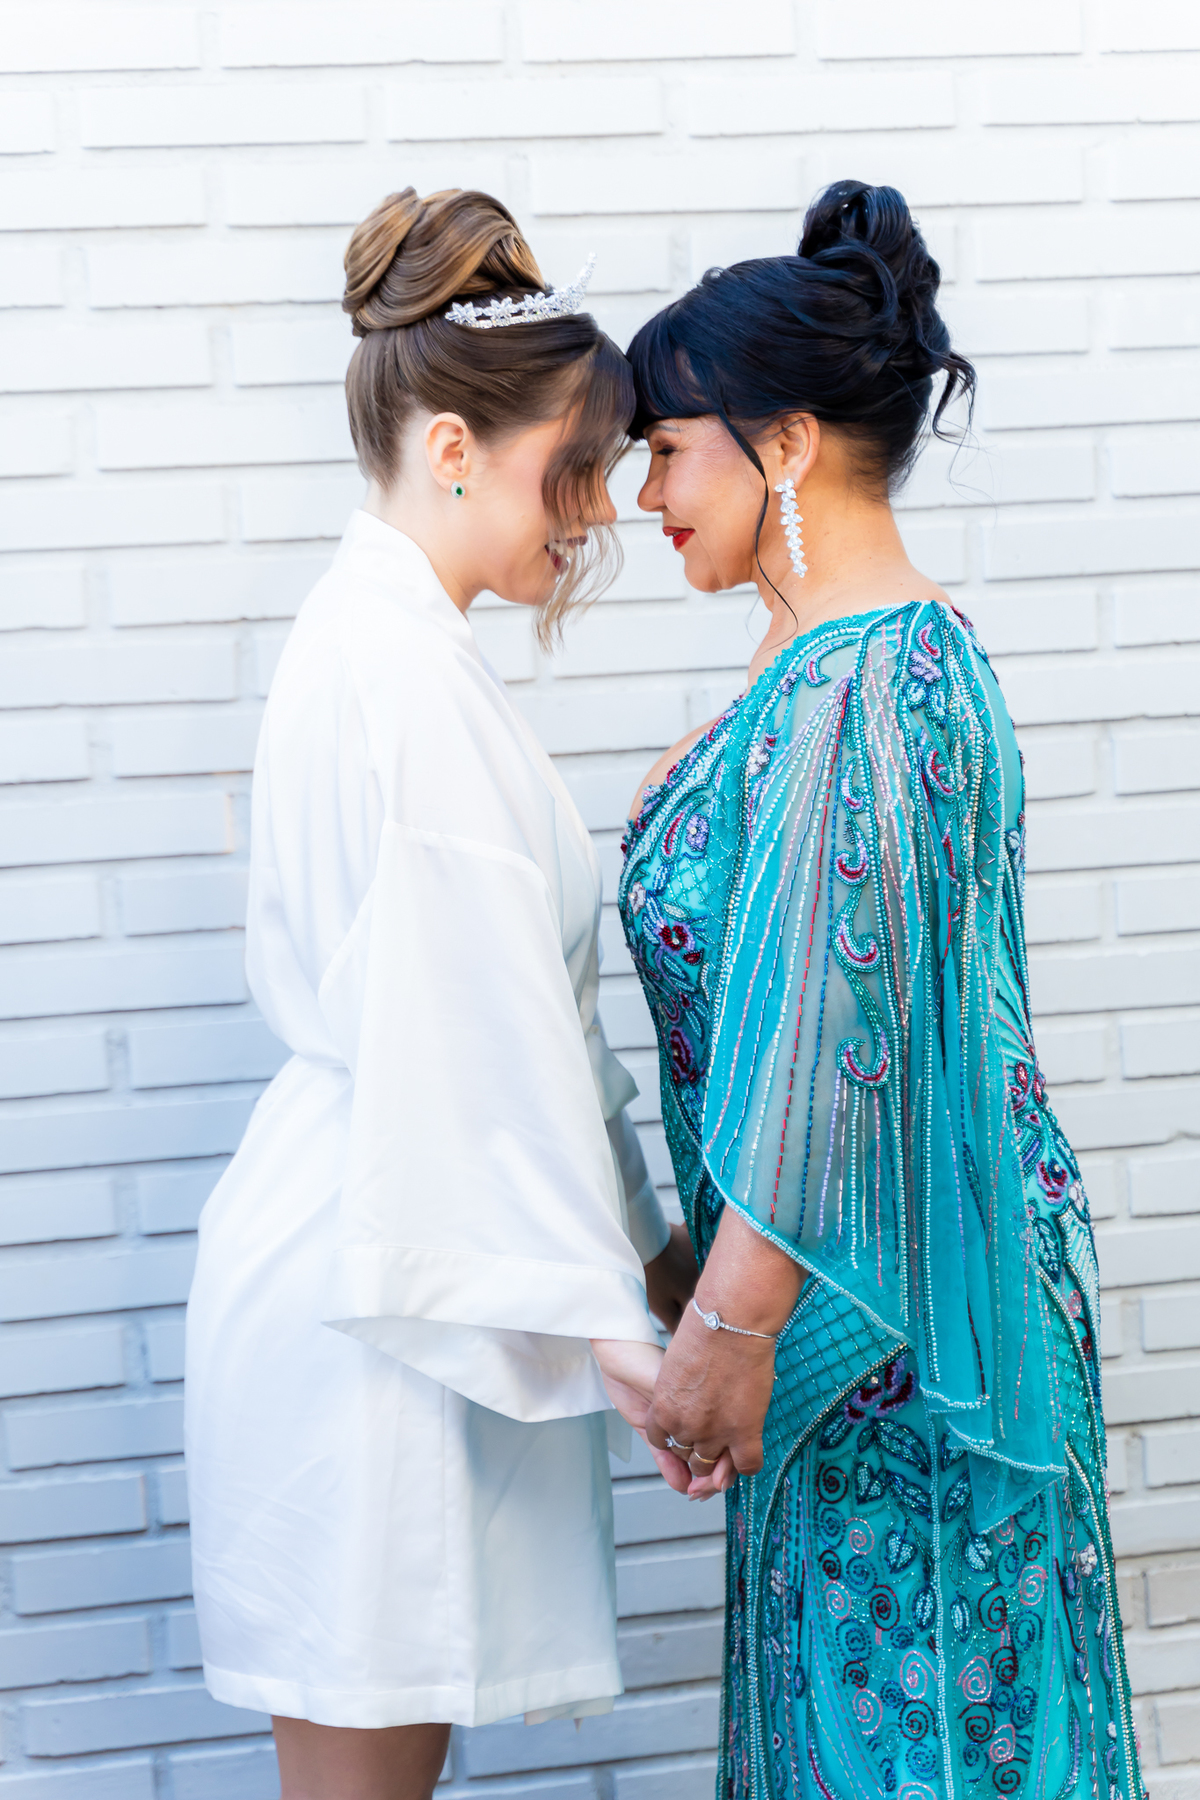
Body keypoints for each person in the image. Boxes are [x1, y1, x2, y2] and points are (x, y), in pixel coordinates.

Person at [621, 181, 1144, 1800]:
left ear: (782, 443)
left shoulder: (861, 687)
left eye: (669, 449)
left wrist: (728, 1324)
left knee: (909, 1745)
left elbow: (826, 1052)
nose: (646, 493)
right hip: (868, 1318)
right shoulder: (861, 668)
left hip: (891, 1346)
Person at [184, 186, 698, 1800]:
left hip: (387, 1231)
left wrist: (652, 1258)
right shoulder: (399, 671)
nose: (597, 513)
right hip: (377, 1278)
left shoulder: (389, 649)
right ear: (457, 449)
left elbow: (518, 1025)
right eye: (572, 467)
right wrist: (623, 1324)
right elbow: (477, 1033)